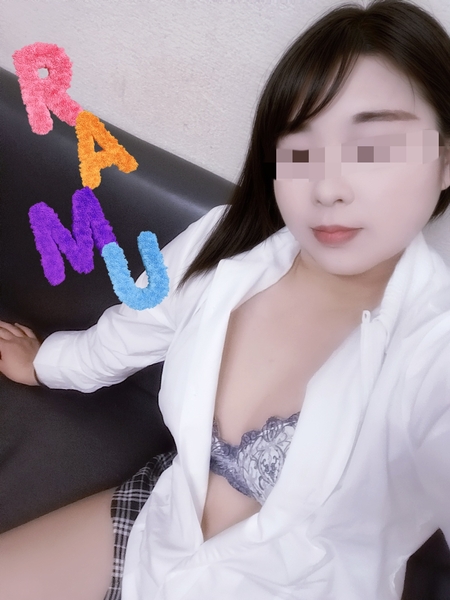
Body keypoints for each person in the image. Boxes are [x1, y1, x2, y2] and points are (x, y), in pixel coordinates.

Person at [1, 0, 450, 598]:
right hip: (161, 526)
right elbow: (135, 328)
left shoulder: (433, 345)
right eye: (300, 151)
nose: (326, 188)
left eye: (372, 149)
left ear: (445, 161)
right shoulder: (226, 241)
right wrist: (47, 363)